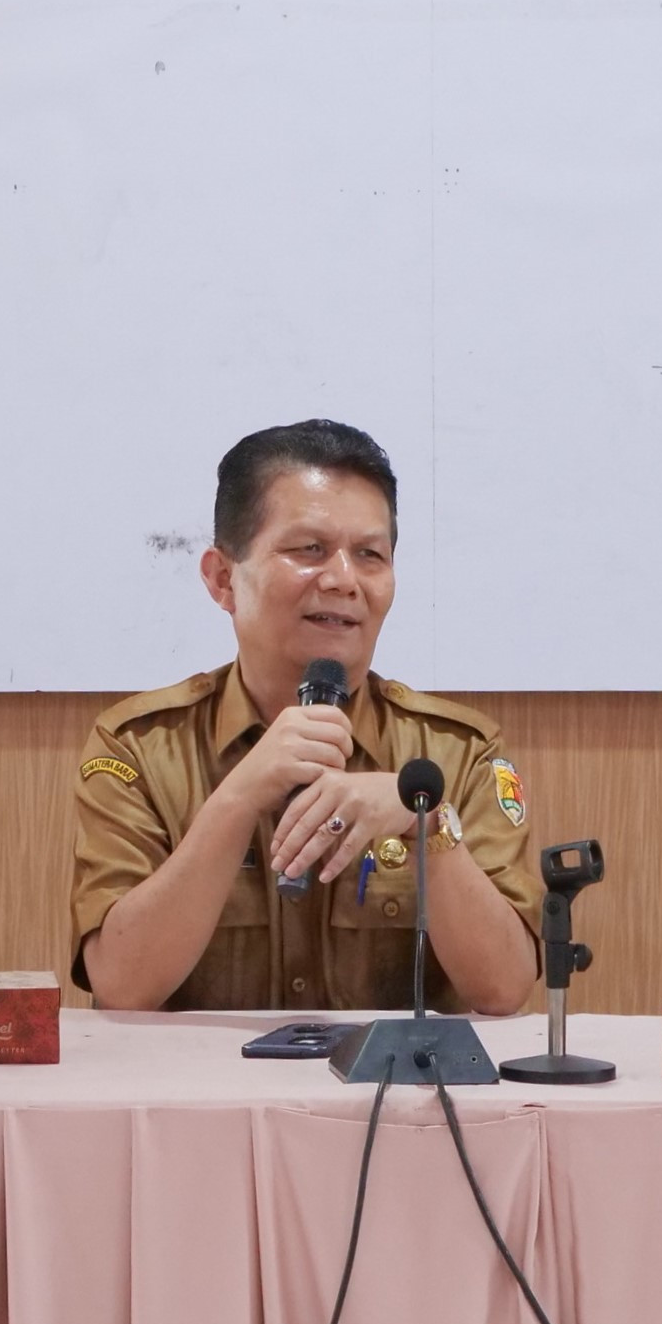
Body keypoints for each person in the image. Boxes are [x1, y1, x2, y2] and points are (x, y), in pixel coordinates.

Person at [72, 421, 540, 1014]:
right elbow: (123, 986)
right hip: (204, 1100)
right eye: (309, 550)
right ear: (222, 579)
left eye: (370, 555)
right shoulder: (140, 749)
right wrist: (236, 800)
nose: (344, 580)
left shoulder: (454, 753)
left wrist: (429, 825)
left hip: (398, 1101)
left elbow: (503, 989)